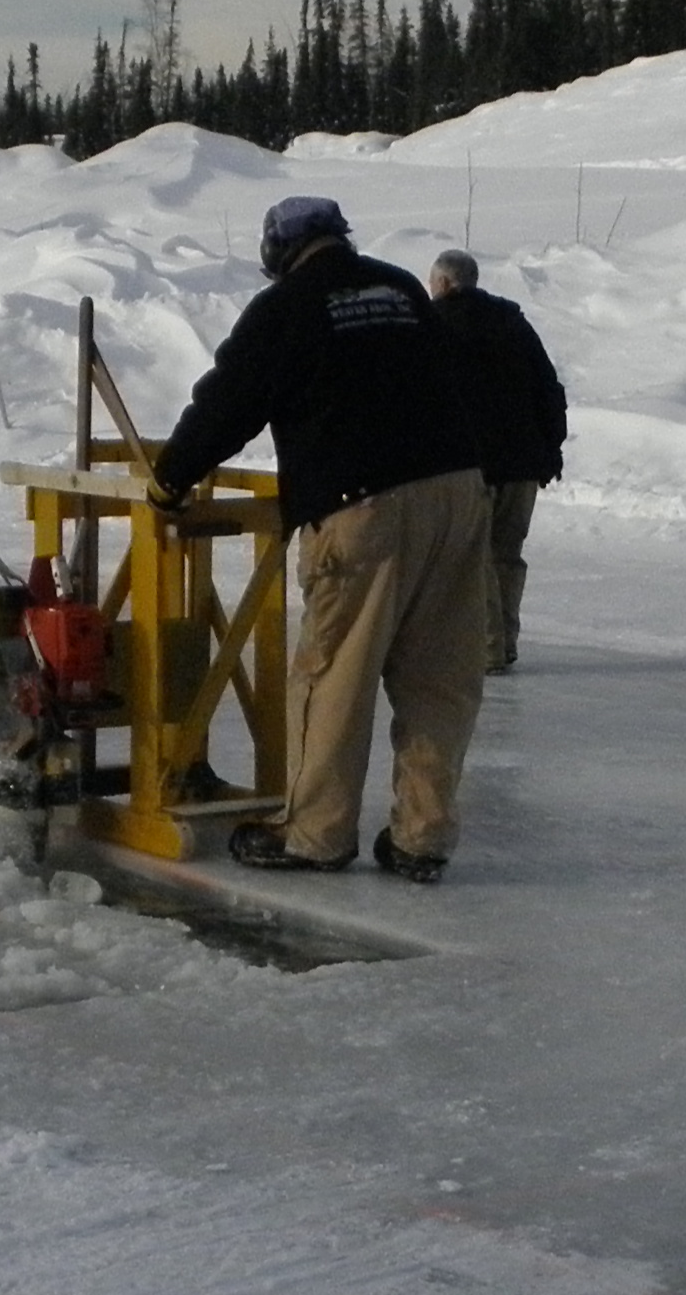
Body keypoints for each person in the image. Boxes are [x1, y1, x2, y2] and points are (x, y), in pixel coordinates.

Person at [152, 196, 489, 883]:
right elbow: (456, 372)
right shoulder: (398, 287)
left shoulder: (287, 308)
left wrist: (171, 479)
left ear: (279, 251)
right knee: (437, 679)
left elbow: (228, 402)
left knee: (336, 673)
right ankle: (422, 839)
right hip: (458, 489)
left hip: (363, 506)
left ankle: (316, 834)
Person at [425, 249, 568, 674]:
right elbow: (549, 390)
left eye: (432, 282)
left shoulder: (434, 326)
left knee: (474, 556)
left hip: (472, 464)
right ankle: (505, 642)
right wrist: (550, 450)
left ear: (446, 284)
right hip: (523, 463)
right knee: (507, 554)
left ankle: (486, 648)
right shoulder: (515, 325)